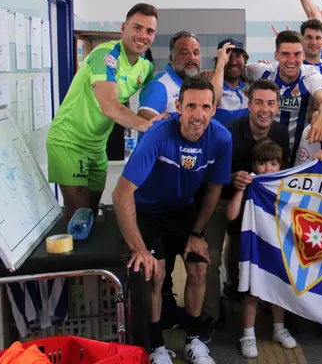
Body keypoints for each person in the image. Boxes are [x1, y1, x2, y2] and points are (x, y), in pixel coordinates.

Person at [113, 78, 232, 364]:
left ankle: (194, 339)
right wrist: (139, 248)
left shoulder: (221, 138)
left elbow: (214, 190)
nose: (198, 114)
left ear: (214, 109)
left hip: (183, 212)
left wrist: (197, 232)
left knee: (198, 268)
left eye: (205, 106)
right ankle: (156, 347)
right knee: (156, 273)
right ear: (178, 106)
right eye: (191, 106)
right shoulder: (158, 134)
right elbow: (121, 194)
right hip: (148, 213)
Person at [46, 3, 163, 223]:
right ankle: (65, 256)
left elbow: (152, 102)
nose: (142, 35)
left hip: (97, 147)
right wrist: (145, 125)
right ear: (123, 28)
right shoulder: (105, 55)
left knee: (90, 211)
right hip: (68, 141)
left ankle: (81, 256)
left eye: (149, 31)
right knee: (79, 212)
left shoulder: (145, 67)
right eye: (137, 28)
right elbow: (109, 106)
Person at [200, 79, 291, 328]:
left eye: (271, 103)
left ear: (278, 106)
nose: (265, 109)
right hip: (223, 197)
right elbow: (207, 174)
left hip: (260, 205)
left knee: (268, 251)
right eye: (259, 102)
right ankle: (209, 317)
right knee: (209, 257)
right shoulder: (227, 133)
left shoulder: (281, 133)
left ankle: (250, 293)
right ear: (249, 105)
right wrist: (231, 178)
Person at [226, 139, 297, 359]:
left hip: (277, 246)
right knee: (252, 293)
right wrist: (241, 189)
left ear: (281, 166)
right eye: (263, 163)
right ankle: (248, 335)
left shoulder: (284, 185)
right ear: (254, 166)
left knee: (278, 290)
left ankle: (278, 328)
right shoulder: (251, 185)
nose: (268, 168)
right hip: (253, 248)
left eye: (273, 164)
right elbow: (231, 215)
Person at [245, 30, 322, 161]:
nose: (292, 60)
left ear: (303, 55)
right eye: (285, 54)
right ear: (276, 55)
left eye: (297, 54)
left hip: (297, 153)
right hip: (264, 155)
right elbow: (236, 70)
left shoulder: (311, 76)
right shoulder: (262, 71)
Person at [139, 31, 207, 120]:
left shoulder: (198, 84)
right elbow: (144, 118)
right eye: (184, 53)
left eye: (196, 53)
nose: (192, 57)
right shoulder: (159, 85)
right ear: (171, 59)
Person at [205, 38, 250, 127]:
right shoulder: (210, 86)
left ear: (244, 59)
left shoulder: (250, 85)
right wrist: (221, 63)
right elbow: (212, 102)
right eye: (227, 56)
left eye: (237, 56)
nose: (233, 62)